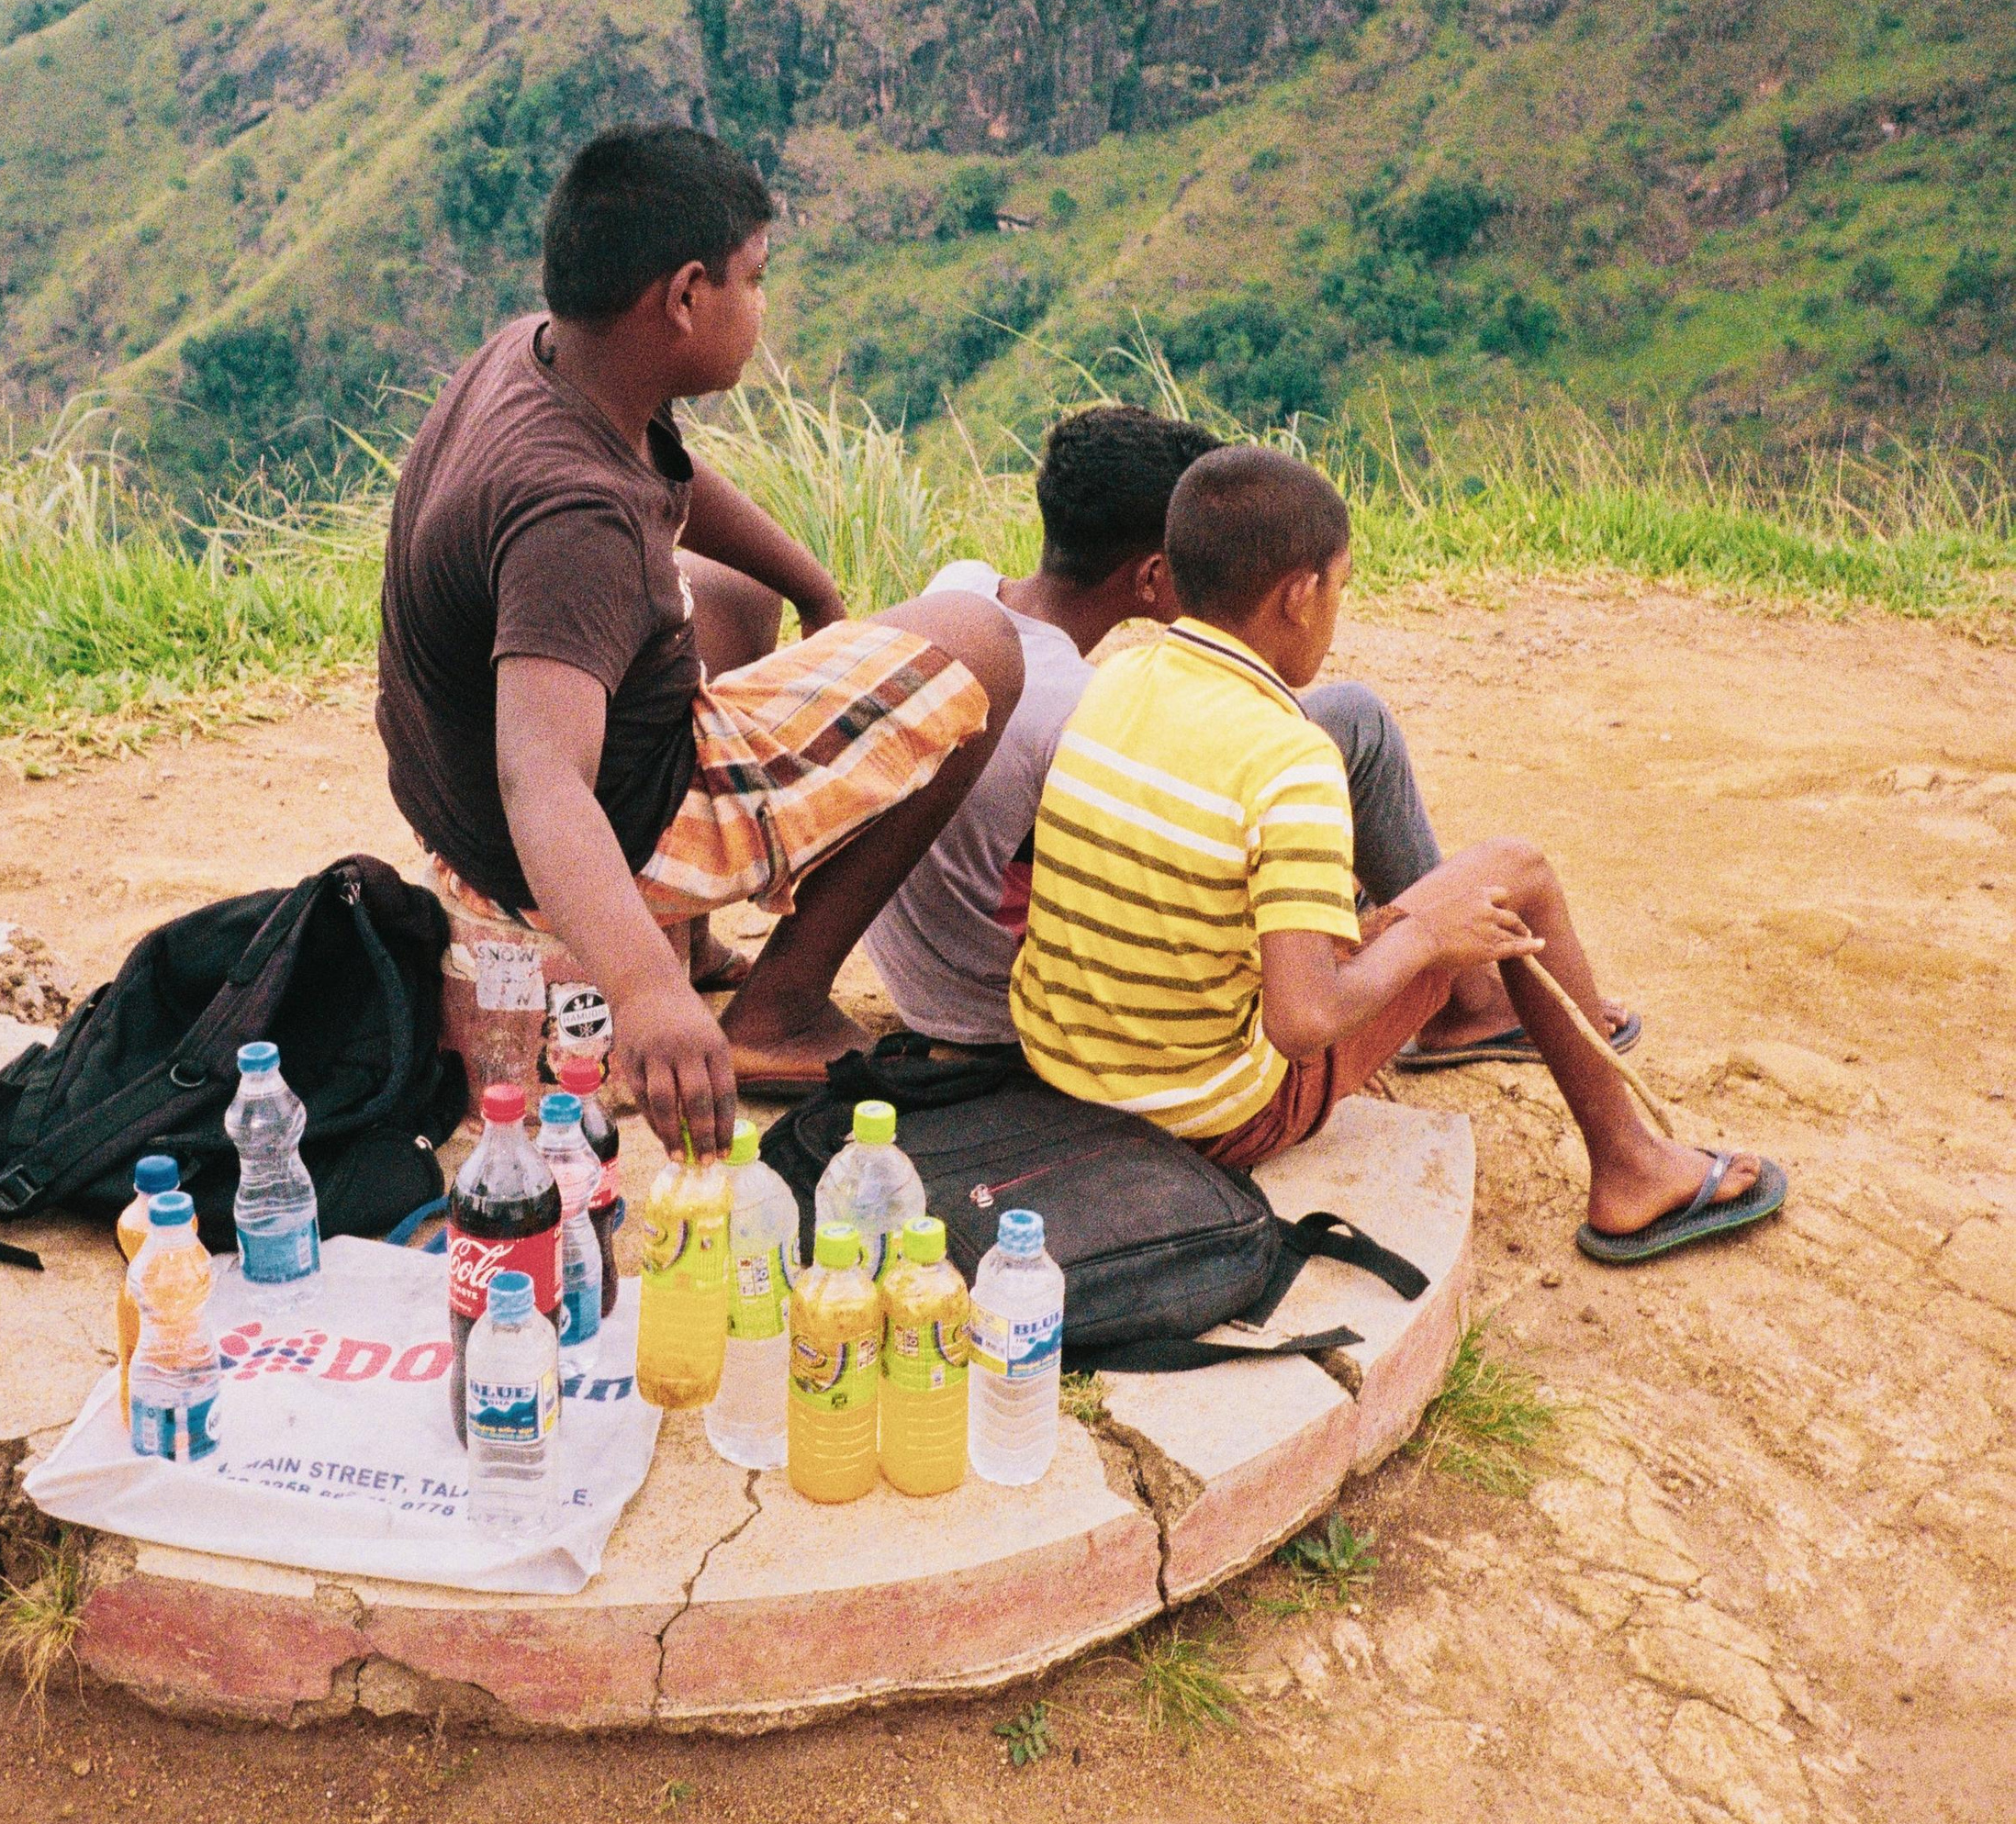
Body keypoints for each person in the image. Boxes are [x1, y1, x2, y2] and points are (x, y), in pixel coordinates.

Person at [375, 125, 1023, 1156]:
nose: (761, 308)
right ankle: (783, 1007)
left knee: (728, 597)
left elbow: (667, 479)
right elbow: (540, 777)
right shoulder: (571, 514)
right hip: (571, 824)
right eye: (754, 281)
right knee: (981, 640)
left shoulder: (540, 355)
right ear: (683, 297)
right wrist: (643, 995)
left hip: (444, 785)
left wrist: (812, 588)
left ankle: (697, 933)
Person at [1010, 444, 1786, 1265]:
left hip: (1071, 1071)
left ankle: (1472, 1011)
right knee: (1516, 872)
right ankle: (1634, 1169)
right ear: (1301, 596)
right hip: (1209, 1113)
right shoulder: (1287, 760)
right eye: (1341, 585)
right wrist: (1422, 935)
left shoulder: (1118, 679)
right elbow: (1302, 1020)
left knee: (1392, 876)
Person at [862, 403, 1615, 1070]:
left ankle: (1461, 989)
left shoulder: (959, 588)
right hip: (1005, 1011)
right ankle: (1476, 1002)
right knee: (1351, 724)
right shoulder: (1078, 710)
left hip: (920, 973)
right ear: (1157, 575)